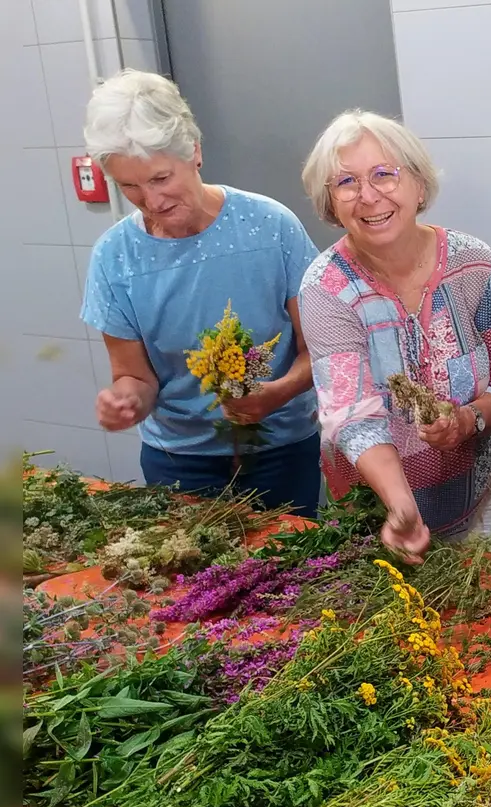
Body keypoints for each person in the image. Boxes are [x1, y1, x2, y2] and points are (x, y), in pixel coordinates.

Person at [79, 69, 321, 514]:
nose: (152, 201)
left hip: (282, 450)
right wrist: (127, 401)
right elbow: (135, 376)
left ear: (194, 151)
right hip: (179, 461)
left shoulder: (270, 226)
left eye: (160, 178)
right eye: (129, 186)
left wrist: (278, 392)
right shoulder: (114, 257)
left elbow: (321, 349)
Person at [297, 111, 491, 562]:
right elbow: (352, 414)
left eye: (384, 174)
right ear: (331, 203)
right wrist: (402, 508)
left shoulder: (475, 264)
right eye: (346, 182)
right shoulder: (325, 287)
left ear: (419, 184)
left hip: (482, 498)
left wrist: (467, 420)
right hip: (375, 513)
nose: (368, 195)